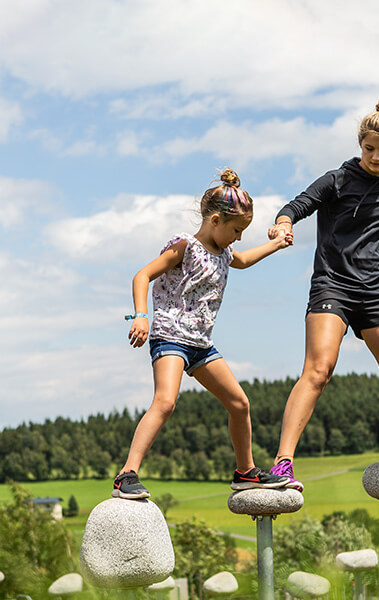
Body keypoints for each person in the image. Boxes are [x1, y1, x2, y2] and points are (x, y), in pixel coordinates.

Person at [266, 99, 379, 481]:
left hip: (376, 291)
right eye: (369, 148)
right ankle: (283, 460)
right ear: (360, 143)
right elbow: (297, 205)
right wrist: (283, 224)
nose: (375, 156)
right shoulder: (336, 179)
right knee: (319, 370)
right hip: (332, 285)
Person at [114, 169, 297, 500]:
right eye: (236, 230)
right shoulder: (186, 246)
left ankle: (245, 472)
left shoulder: (225, 252)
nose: (239, 237)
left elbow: (242, 259)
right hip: (170, 335)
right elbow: (142, 275)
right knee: (166, 401)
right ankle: (127, 474)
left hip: (200, 343)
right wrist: (141, 316)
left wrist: (274, 244)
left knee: (239, 403)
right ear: (214, 220)